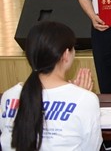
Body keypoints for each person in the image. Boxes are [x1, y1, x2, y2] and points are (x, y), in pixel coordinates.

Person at [0, 21, 102, 151]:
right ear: (66, 54)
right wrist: (81, 97)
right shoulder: (85, 100)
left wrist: (78, 95)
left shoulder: (8, 96)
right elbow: (92, 147)